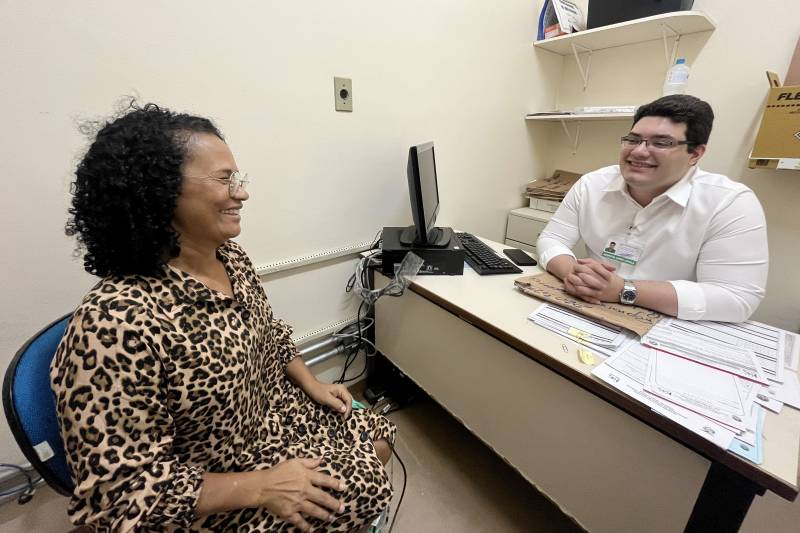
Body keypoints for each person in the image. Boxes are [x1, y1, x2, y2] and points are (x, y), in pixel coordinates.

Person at [51, 102, 395, 532]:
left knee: (375, 436)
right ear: (159, 191)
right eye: (224, 179)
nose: (242, 193)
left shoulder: (228, 257)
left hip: (268, 418)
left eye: (238, 178)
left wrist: (311, 384)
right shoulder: (115, 323)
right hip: (206, 482)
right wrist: (263, 486)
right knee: (357, 483)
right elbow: (117, 497)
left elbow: (270, 330)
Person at [536, 95, 768, 323]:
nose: (638, 151)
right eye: (633, 139)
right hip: (585, 308)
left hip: (665, 323)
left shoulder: (729, 202)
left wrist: (623, 290)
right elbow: (552, 238)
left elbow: (737, 298)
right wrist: (575, 275)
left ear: (695, 153)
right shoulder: (592, 184)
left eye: (661, 143)